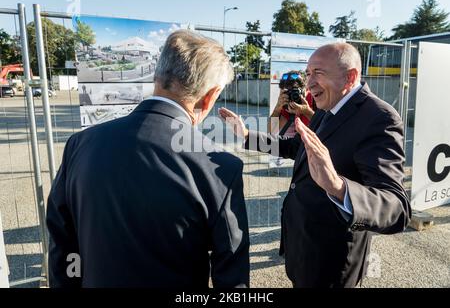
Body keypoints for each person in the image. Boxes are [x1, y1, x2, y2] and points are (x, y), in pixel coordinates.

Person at [46, 30, 250, 288]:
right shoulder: (220, 166)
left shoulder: (80, 144)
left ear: (157, 76)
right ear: (209, 96)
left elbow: (62, 244)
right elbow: (231, 277)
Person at [219, 43, 411, 288]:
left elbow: (397, 208)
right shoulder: (326, 107)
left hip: (332, 260)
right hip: (302, 244)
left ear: (350, 77)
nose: (308, 84)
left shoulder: (380, 118)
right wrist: (247, 135)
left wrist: (338, 187)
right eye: (308, 74)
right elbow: (295, 147)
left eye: (318, 73)